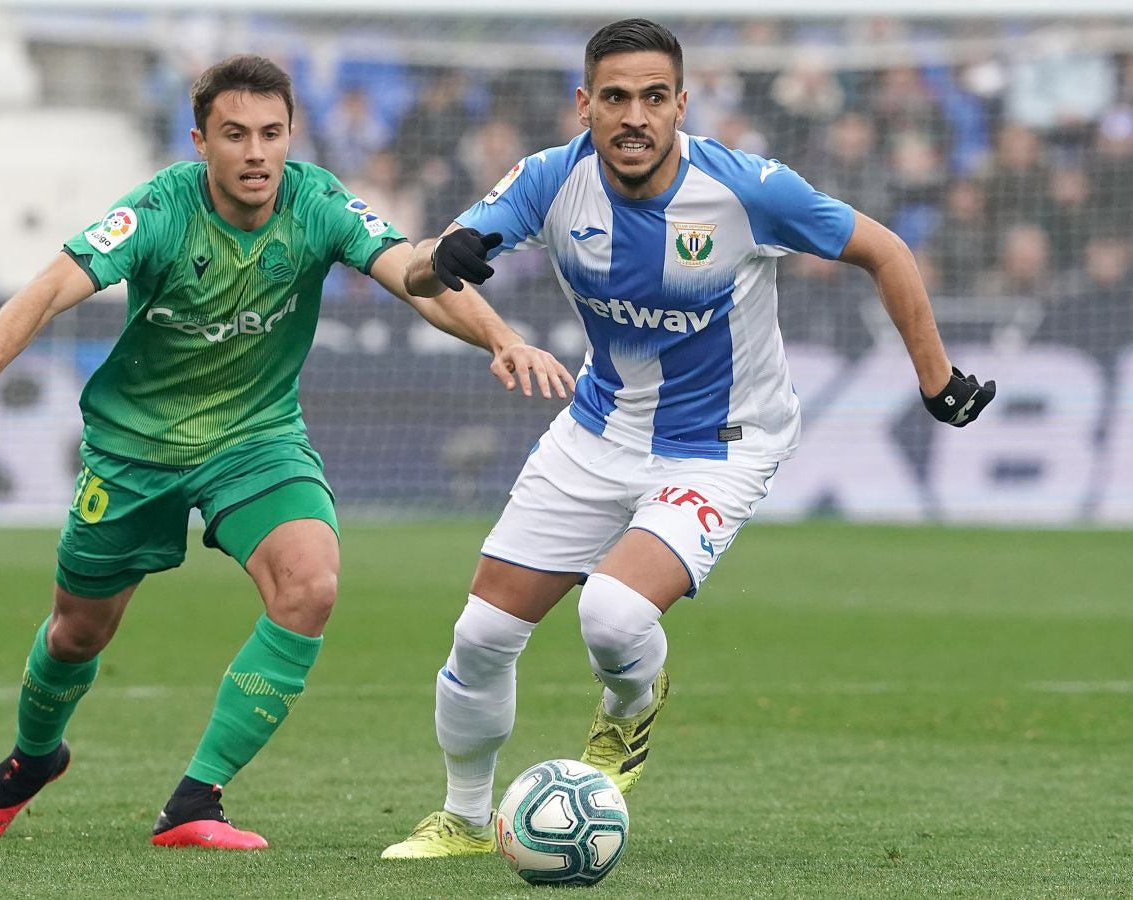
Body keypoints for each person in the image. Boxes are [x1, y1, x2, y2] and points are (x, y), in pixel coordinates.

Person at [380, 18, 996, 859]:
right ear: (585, 105)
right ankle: (460, 817)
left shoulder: (747, 188)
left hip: (723, 442)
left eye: (654, 98)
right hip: (598, 428)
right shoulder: (546, 181)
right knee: (481, 637)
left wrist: (937, 379)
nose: (635, 117)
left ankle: (628, 712)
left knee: (613, 612)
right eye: (616, 98)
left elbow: (884, 251)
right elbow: (418, 268)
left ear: (681, 104)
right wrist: (442, 258)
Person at [0, 54, 571, 851]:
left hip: (256, 439)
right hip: (136, 449)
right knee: (77, 632)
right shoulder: (160, 207)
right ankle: (31, 760)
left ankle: (196, 801)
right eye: (235, 135)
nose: (257, 152)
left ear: (292, 135)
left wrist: (499, 334)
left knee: (311, 584)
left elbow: (410, 272)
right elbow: (54, 284)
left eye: (272, 134)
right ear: (201, 140)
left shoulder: (317, 200)